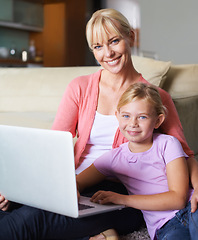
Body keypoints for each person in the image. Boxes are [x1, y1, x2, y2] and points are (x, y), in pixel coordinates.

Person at [0, 8, 198, 240]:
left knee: (28, 223)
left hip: (117, 192)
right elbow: (50, 149)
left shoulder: (155, 97)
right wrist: (20, 189)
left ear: (130, 37)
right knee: (8, 210)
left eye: (114, 41)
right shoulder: (79, 87)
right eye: (98, 47)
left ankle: (102, 231)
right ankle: (101, 234)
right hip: (74, 182)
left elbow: (186, 154)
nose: (108, 53)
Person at [77, 82, 198, 240]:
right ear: (117, 116)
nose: (133, 123)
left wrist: (123, 200)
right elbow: (77, 182)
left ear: (158, 121)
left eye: (142, 117)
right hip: (165, 226)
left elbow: (178, 199)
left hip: (192, 208)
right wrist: (75, 191)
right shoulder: (114, 158)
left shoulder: (168, 144)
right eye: (126, 116)